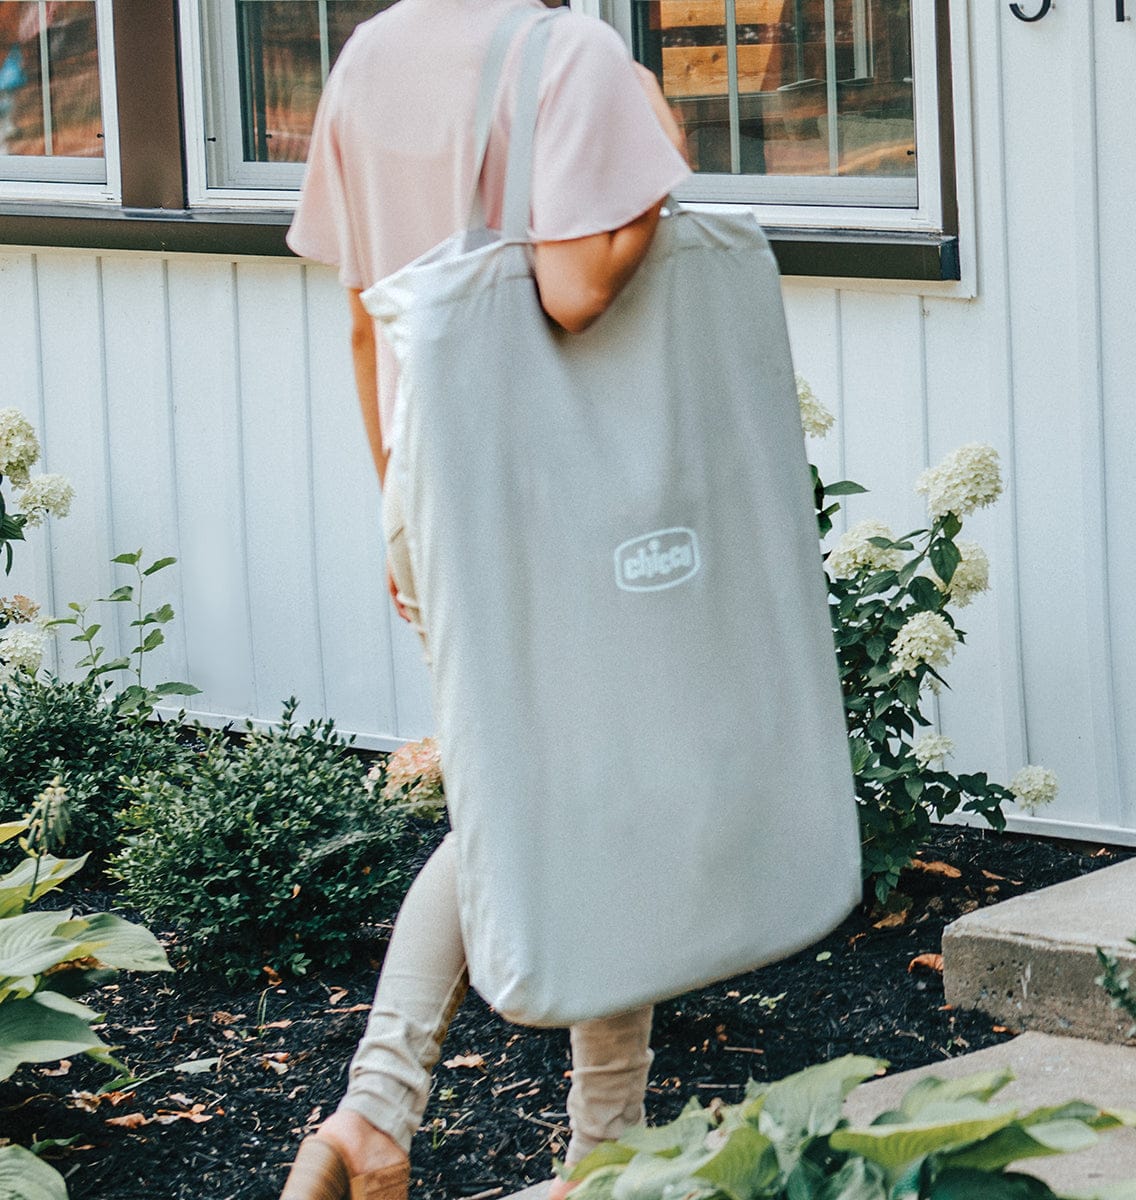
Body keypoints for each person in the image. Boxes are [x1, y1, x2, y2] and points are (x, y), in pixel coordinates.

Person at [281, 1, 691, 1197]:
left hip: (434, 490)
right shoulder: (577, 56)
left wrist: (402, 515)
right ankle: (568, 1148)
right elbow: (576, 288)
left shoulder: (367, 56)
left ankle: (400, 1122)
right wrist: (659, 155)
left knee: (544, 794)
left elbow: (366, 321)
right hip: (564, 501)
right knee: (580, 797)